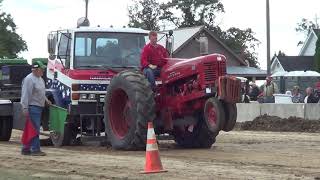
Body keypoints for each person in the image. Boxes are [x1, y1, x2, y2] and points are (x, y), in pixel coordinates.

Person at [20, 61, 51, 156]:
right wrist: (24, 108)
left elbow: (41, 92)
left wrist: (46, 100)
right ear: (36, 70)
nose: (43, 70)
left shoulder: (40, 79)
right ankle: (35, 149)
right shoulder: (29, 79)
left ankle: (26, 149)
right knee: (35, 129)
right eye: (42, 69)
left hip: (39, 107)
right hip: (33, 107)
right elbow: (25, 94)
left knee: (31, 128)